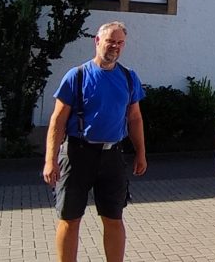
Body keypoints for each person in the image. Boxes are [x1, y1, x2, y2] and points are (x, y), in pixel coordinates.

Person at [42, 21, 147, 262]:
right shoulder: (76, 76)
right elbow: (57, 122)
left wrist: (141, 153)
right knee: (70, 218)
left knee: (114, 218)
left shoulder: (129, 78)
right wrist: (50, 160)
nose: (115, 47)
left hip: (112, 156)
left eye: (120, 42)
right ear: (97, 41)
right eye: (111, 41)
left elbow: (135, 118)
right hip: (77, 154)